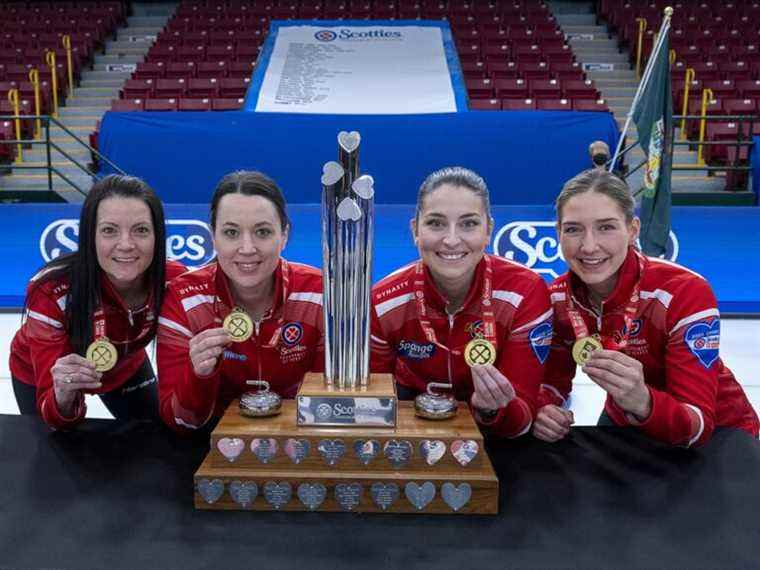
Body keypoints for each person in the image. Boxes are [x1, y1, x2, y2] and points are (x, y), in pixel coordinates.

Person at [533, 169, 759, 446]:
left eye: (606, 227)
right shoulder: (556, 298)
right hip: (626, 419)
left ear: (633, 230)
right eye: (573, 229)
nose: (589, 246)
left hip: (720, 433)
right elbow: (553, 380)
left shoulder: (682, 291)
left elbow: (698, 427)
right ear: (558, 233)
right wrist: (544, 408)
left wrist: (643, 401)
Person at [370, 167, 552, 437]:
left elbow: (522, 422)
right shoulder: (385, 301)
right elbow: (374, 407)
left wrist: (491, 410)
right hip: (411, 428)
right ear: (415, 231)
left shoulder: (524, 292)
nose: (452, 240)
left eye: (468, 224)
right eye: (436, 223)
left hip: (494, 438)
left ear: (489, 229)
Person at [10, 174, 185, 429]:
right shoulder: (51, 290)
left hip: (125, 368)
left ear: (157, 236)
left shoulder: (174, 281)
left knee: (162, 438)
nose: (126, 244)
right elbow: (54, 408)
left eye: (141, 230)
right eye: (109, 230)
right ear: (89, 236)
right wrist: (62, 395)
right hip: (43, 374)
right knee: (54, 452)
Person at [157, 170, 323, 433]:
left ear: (285, 235)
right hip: (212, 441)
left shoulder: (319, 294)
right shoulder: (184, 300)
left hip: (301, 439)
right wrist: (198, 376)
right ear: (213, 236)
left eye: (263, 232)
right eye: (231, 232)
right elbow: (180, 421)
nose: (247, 248)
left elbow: (330, 405)